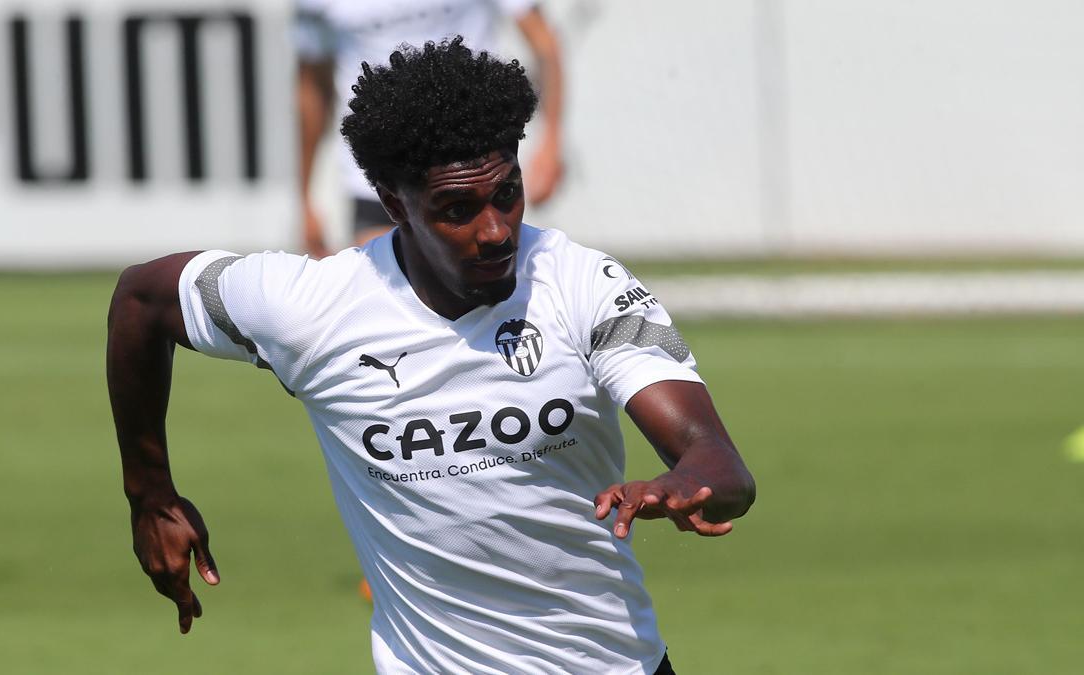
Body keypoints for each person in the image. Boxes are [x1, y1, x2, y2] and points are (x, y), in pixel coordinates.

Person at [107, 37, 755, 674]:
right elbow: (142, 300)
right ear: (395, 204)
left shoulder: (581, 283)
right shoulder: (315, 305)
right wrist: (150, 495)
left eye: (507, 192)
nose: (496, 228)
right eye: (458, 208)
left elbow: (719, 462)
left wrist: (683, 483)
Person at [295, 0, 564, 257]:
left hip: (476, 169)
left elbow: (543, 43)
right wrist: (305, 197)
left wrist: (550, 143)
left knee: (482, 289)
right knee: (387, 296)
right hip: (380, 176)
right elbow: (312, 90)